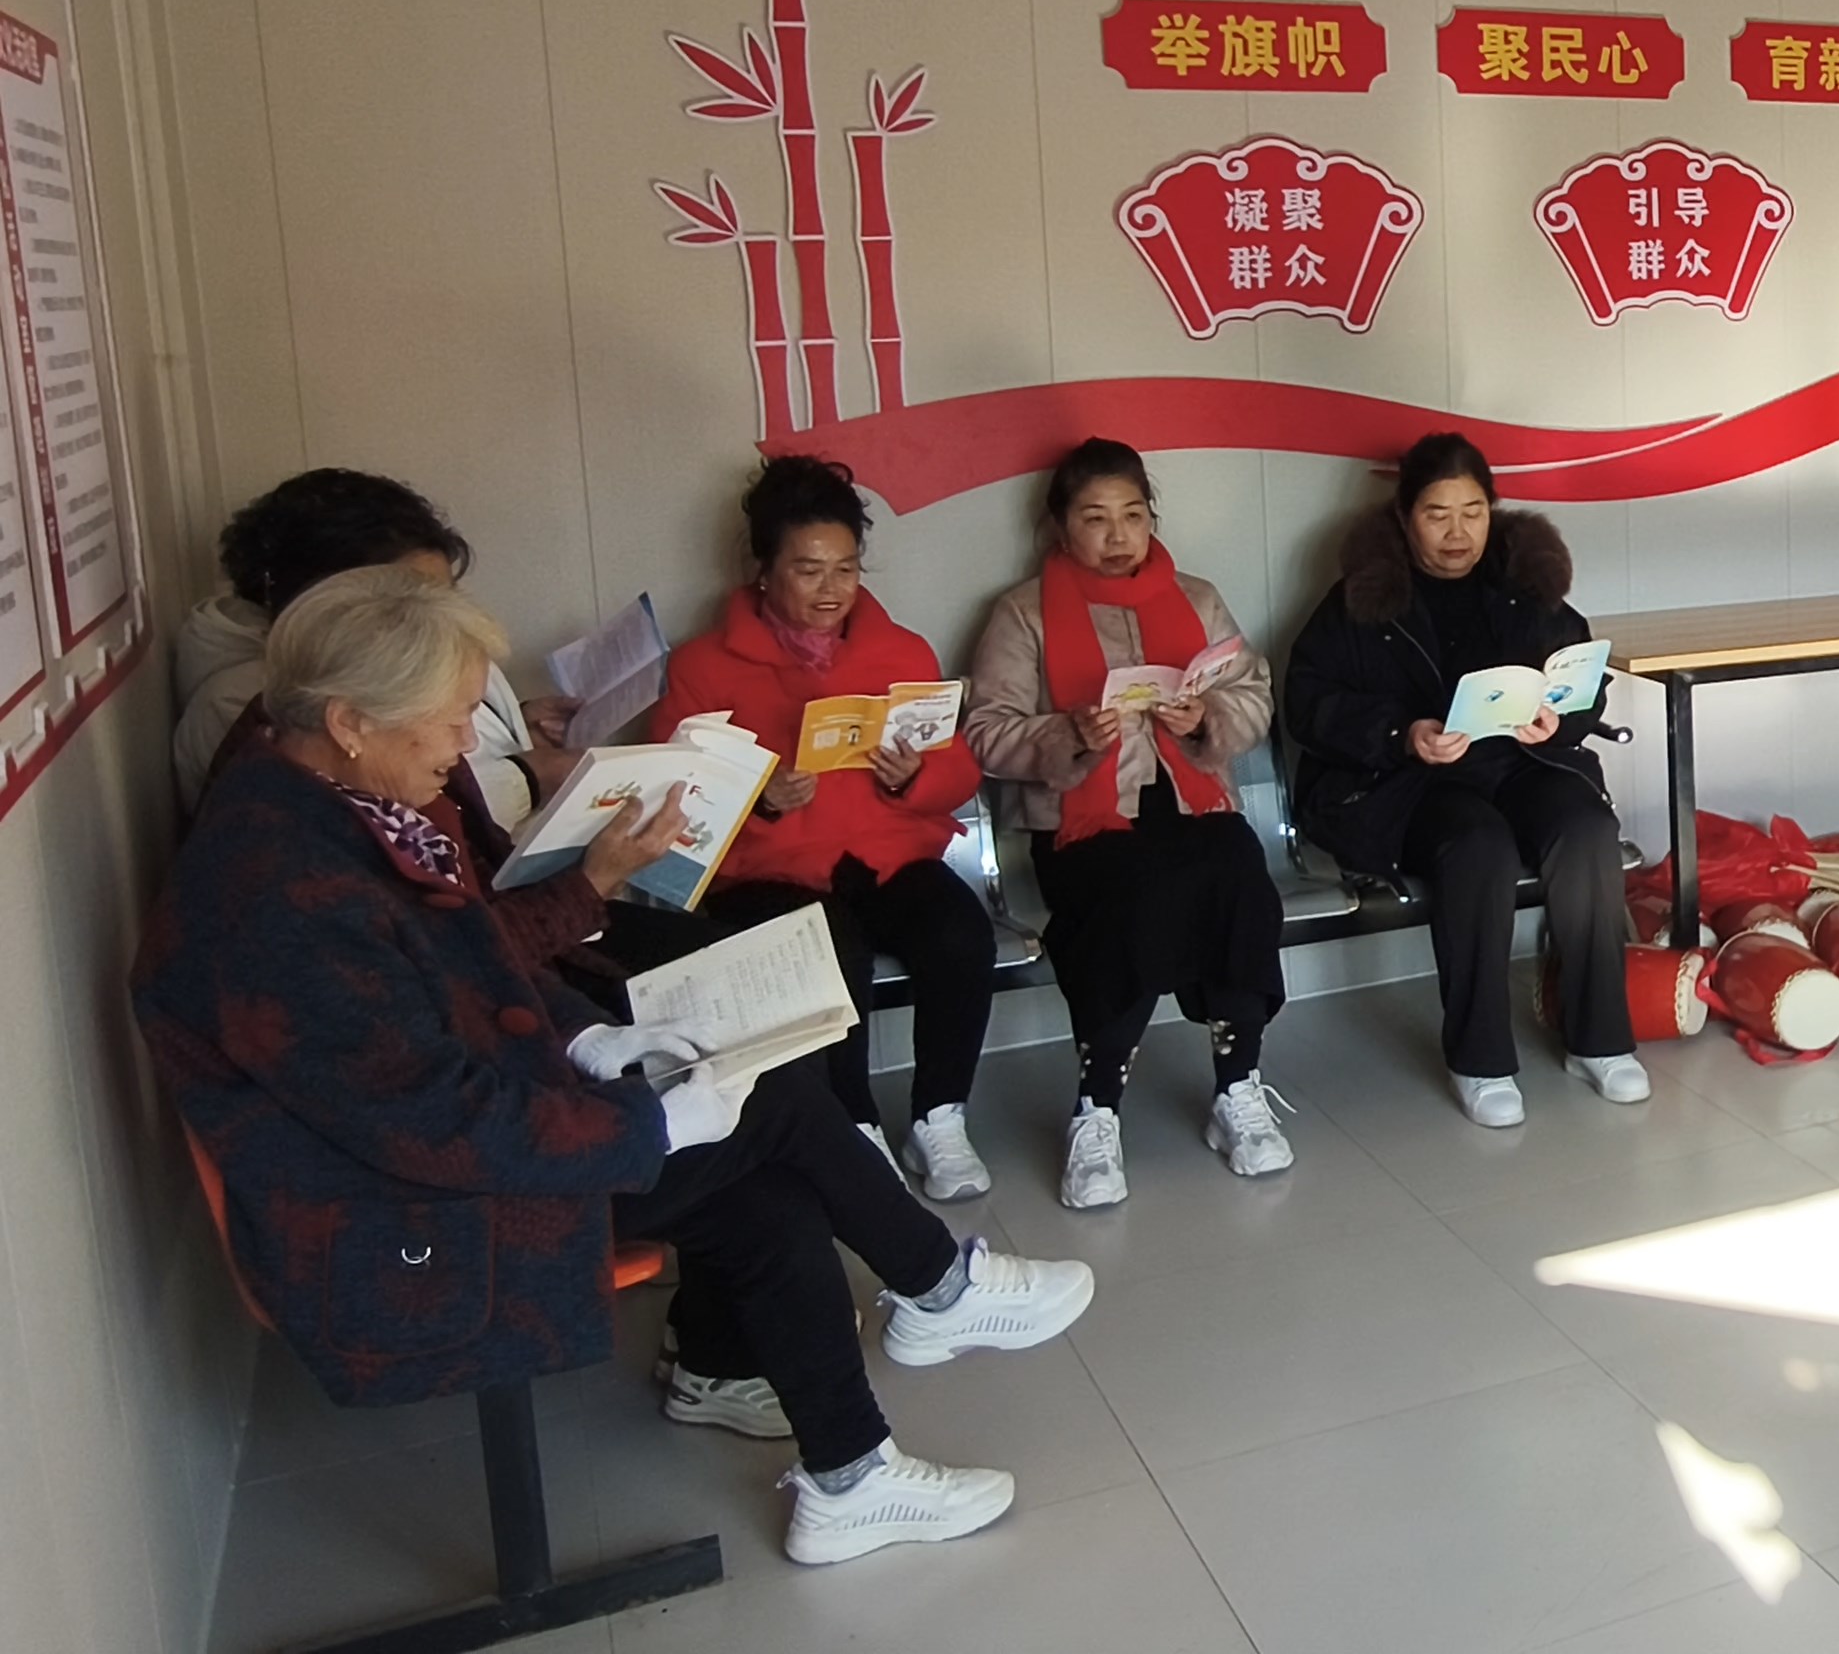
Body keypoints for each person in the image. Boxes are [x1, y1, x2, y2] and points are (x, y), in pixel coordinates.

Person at [134, 568, 1093, 1565]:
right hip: (398, 1216)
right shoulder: (285, 894)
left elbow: (469, 965)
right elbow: (435, 1122)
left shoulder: (337, 798)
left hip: (460, 1132)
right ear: (348, 722)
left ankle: (851, 1477)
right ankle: (937, 1286)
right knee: (765, 1100)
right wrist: (652, 1122)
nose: (465, 745)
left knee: (764, 1190)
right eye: (451, 720)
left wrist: (595, 1039)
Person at [648, 456, 999, 1201]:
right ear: (763, 572)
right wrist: (761, 798)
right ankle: (853, 1125)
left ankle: (939, 1116)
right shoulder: (703, 666)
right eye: (808, 571)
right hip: (765, 871)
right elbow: (675, 800)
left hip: (884, 856)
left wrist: (913, 776)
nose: (831, 590)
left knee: (960, 933)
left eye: (846, 569)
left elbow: (961, 773)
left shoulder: (901, 651)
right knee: (826, 949)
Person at [963, 438, 1289, 1208]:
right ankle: (1097, 1109)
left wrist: (1205, 716)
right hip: (1079, 822)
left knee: (1238, 877)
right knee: (1132, 896)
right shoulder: (1022, 613)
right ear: (1059, 527)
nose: (1118, 536)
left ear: (1152, 520)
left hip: (1194, 803)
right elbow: (985, 731)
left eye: (1133, 516)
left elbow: (1253, 696)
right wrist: (1069, 733)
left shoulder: (1198, 598)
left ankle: (1238, 1087)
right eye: (1095, 518)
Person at [1284, 434, 1645, 1128]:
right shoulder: (1360, 600)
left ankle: (1598, 1040)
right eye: (1437, 514)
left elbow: (1582, 684)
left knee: (1586, 828)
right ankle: (1479, 1060)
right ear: (1404, 517)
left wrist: (1558, 721)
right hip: (1410, 786)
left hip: (1523, 764)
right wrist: (1404, 734)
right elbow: (1308, 704)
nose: (1458, 533)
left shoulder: (1526, 586)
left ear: (1492, 511)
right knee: (1478, 847)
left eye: (1473, 512)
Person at [172, 468, 573, 817]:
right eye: (416, 600)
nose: (445, 620)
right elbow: (397, 820)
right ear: (333, 597)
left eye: (447, 595)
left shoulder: (373, 657)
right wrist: (528, 776)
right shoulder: (243, 703)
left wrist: (509, 723)